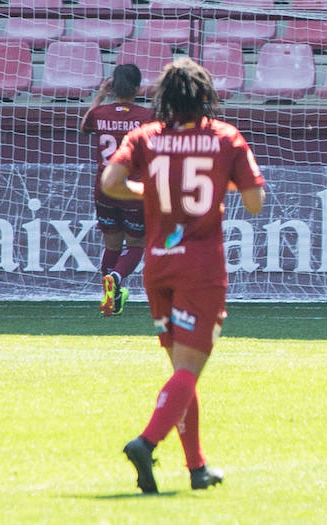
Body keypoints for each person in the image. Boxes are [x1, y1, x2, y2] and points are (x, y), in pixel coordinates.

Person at [101, 57, 266, 494]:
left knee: (180, 370)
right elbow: (255, 203)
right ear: (205, 96)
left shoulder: (146, 137)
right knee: (190, 369)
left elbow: (110, 181)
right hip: (200, 268)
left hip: (157, 264)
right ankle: (146, 441)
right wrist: (220, 183)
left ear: (164, 99)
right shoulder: (225, 138)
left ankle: (196, 467)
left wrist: (150, 190)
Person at [79, 64, 154, 317]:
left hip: (104, 187)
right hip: (132, 188)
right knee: (136, 242)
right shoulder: (147, 115)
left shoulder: (99, 112)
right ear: (137, 87)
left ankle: (109, 297)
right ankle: (116, 276)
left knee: (111, 243)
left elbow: (83, 127)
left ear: (112, 87)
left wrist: (100, 96)